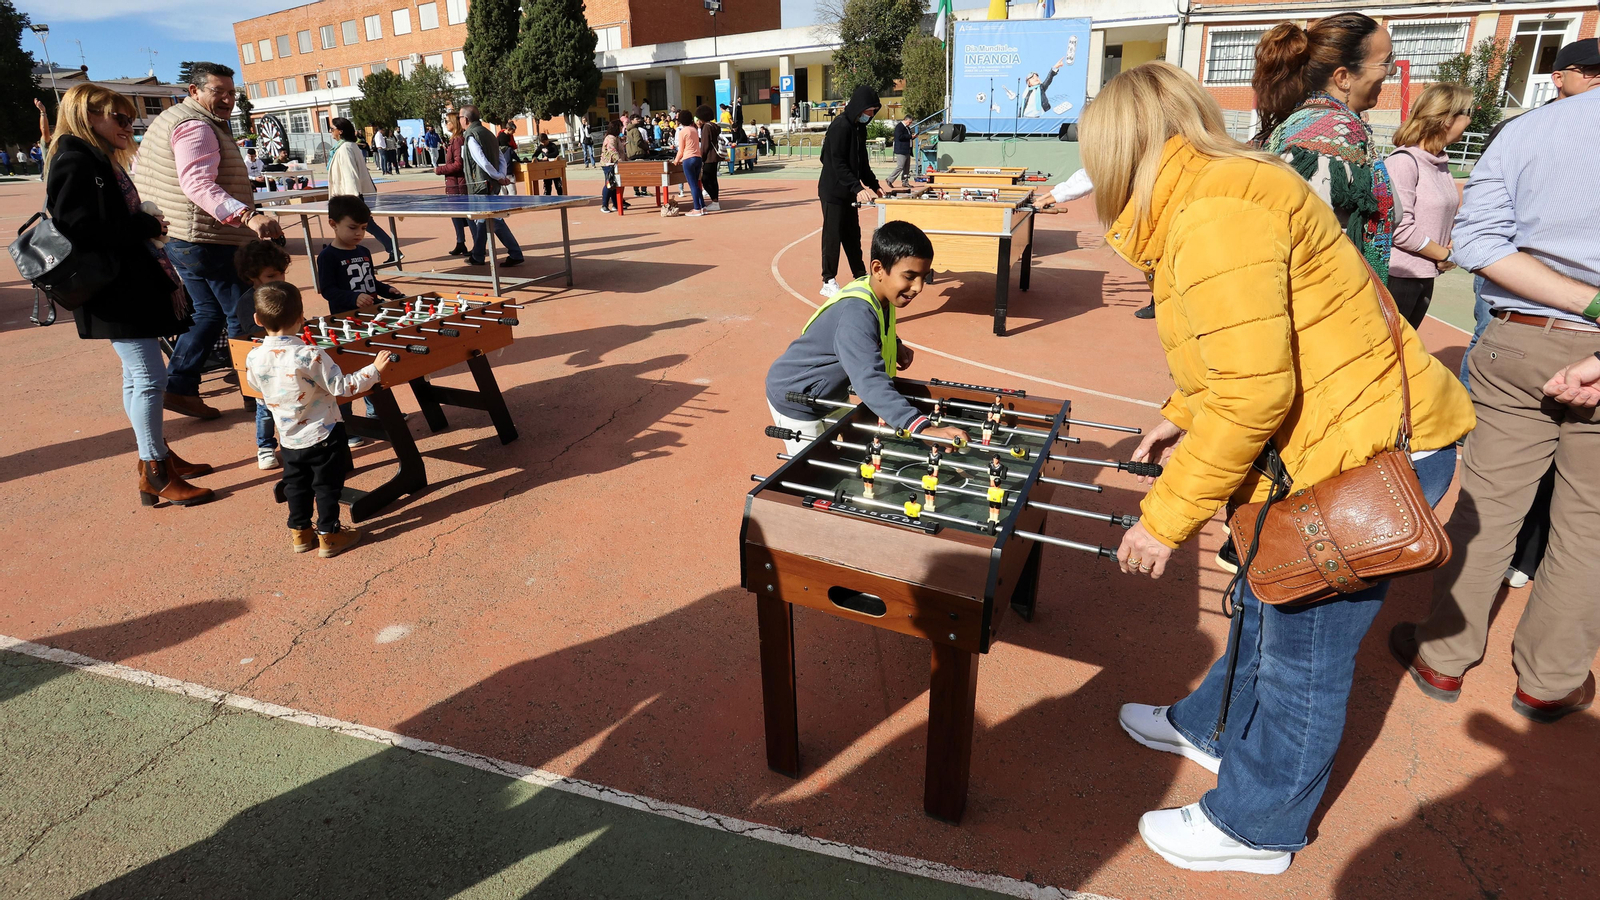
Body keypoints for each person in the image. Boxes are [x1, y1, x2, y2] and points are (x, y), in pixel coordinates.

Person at [1086, 63, 1472, 874]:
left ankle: (1258, 829)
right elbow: (1245, 349)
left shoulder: (1214, 212)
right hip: (1335, 441)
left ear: (1119, 151)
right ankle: (1212, 729)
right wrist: (1181, 411)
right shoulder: (1214, 192)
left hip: (1360, 457)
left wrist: (1163, 520)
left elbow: (1253, 393)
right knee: (1266, 605)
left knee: (1305, 662)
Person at [1390, 82, 1600, 725]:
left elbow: (1478, 242)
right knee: (1589, 526)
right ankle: (1549, 680)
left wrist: (1583, 303)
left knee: (1487, 504)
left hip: (1520, 335)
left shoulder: (1534, 127)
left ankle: (1442, 656)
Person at [45, 82, 213, 507]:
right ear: (88, 116)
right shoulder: (75, 159)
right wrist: (146, 226)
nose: (127, 125)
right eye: (119, 117)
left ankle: (155, 457)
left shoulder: (94, 157)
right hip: (111, 290)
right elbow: (77, 229)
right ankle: (155, 469)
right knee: (150, 378)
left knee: (137, 377)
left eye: (130, 117)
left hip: (123, 287)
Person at [133, 61, 284, 421]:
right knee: (242, 312)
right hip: (206, 237)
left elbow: (143, 172)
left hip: (180, 235)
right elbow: (197, 184)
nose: (228, 99)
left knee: (209, 312)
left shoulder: (168, 120)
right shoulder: (196, 126)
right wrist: (247, 216)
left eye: (232, 93)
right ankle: (256, 393)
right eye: (219, 91)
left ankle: (180, 385)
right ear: (194, 91)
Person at [765, 221, 970, 454]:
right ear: (878, 269)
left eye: (924, 276)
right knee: (815, 467)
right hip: (797, 400)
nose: (918, 287)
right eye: (910, 276)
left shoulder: (879, 292)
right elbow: (868, 378)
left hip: (826, 392)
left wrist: (895, 343)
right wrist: (921, 428)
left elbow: (876, 326)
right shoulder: (856, 313)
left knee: (849, 452)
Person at [246, 282, 393, 558]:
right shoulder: (310, 354)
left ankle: (300, 532)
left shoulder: (254, 356)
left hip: (289, 438)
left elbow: (255, 386)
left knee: (296, 485)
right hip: (323, 434)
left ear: (257, 319)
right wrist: (374, 370)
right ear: (301, 318)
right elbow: (342, 387)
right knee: (326, 486)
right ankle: (330, 534)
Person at [1253, 13, 1399, 280]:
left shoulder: (1315, 120)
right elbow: (1304, 236)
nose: (1392, 71)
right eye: (1386, 62)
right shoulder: (1331, 132)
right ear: (1343, 77)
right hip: (1325, 293)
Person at [1384, 82, 1470, 330]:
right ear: (1447, 119)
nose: (1470, 121)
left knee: (1406, 348)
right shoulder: (1403, 162)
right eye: (1467, 113)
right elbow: (1400, 228)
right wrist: (1444, 255)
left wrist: (1449, 246)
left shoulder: (1438, 162)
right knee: (1390, 347)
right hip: (1399, 277)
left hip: (1425, 274)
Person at [817, 85, 884, 298]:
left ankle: (860, 275)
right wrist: (857, 187)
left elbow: (862, 163)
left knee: (852, 234)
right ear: (859, 107)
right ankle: (828, 280)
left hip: (848, 193)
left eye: (873, 111)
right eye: (869, 110)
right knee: (833, 235)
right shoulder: (840, 127)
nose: (871, 115)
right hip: (832, 191)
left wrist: (874, 185)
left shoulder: (859, 128)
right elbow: (836, 162)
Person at [234, 240, 292, 468]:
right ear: (252, 277)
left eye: (282, 273)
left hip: (286, 359)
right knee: (265, 408)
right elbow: (253, 332)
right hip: (262, 362)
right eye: (271, 276)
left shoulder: (287, 293)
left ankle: (292, 442)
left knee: (291, 402)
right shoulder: (247, 302)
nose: (279, 279)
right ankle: (265, 446)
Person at [457, 106, 525, 267]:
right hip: (491, 184)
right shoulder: (488, 133)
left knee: (493, 219)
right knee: (484, 220)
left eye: (459, 117)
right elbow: (501, 158)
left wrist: (499, 176)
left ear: (465, 119)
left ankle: (515, 253)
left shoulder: (471, 136)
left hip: (481, 185)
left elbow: (482, 161)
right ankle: (478, 255)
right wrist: (500, 176)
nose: (459, 120)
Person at [328, 117, 398, 264]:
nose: (330, 132)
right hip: (354, 196)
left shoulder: (345, 148)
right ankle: (393, 250)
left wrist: (353, 199)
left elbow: (350, 174)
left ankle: (390, 250)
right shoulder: (348, 146)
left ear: (340, 131)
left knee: (348, 227)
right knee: (367, 225)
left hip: (350, 197)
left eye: (332, 129)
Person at [433, 114, 471, 256]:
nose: (445, 124)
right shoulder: (454, 140)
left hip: (458, 185)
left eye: (447, 121)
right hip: (453, 185)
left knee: (468, 217)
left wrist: (439, 170)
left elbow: (458, 164)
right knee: (456, 216)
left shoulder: (458, 141)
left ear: (454, 123)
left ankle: (478, 246)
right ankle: (460, 243)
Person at [672, 108, 706, 217]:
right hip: (698, 158)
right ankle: (702, 206)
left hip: (688, 159)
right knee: (696, 184)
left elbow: (681, 150)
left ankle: (697, 209)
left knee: (693, 185)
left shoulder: (682, 131)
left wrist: (676, 161)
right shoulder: (694, 130)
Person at [695, 105, 722, 212]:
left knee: (705, 180)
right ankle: (715, 201)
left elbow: (705, 146)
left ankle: (715, 201)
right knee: (713, 180)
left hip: (709, 158)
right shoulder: (714, 126)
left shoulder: (706, 127)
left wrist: (701, 157)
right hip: (715, 156)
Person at [598, 119, 626, 214]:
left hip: (615, 164)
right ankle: (604, 205)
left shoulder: (616, 137)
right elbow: (612, 150)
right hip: (609, 164)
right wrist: (619, 160)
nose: (621, 129)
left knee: (615, 184)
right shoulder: (610, 138)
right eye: (620, 127)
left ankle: (615, 204)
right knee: (609, 184)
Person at [625, 115, 650, 197]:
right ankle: (643, 190)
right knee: (643, 173)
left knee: (635, 174)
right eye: (636, 119)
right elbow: (638, 142)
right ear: (631, 120)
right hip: (638, 153)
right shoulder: (635, 130)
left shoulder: (628, 130)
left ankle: (636, 190)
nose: (638, 120)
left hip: (631, 154)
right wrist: (646, 147)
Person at [886, 115, 914, 189]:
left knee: (906, 167)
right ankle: (890, 179)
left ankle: (905, 182)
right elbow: (900, 137)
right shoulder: (899, 127)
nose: (910, 124)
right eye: (909, 122)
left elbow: (907, 137)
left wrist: (912, 137)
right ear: (905, 120)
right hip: (901, 150)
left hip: (907, 149)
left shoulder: (907, 128)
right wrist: (910, 136)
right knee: (900, 166)